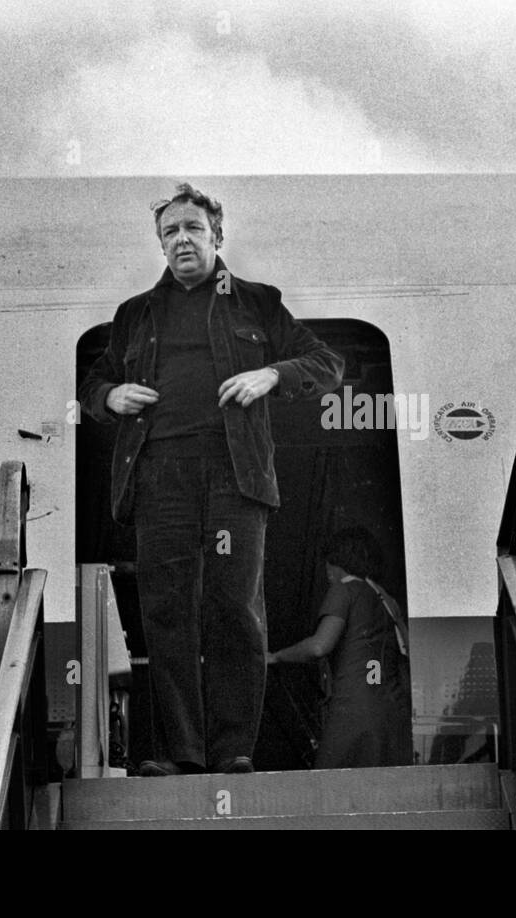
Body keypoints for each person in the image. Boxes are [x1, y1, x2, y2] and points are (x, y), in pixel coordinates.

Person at [78, 183, 344, 775]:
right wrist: (111, 394)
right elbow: (90, 389)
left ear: (216, 237)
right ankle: (181, 755)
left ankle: (234, 751)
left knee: (234, 609)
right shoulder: (135, 316)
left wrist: (273, 374)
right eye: (170, 231)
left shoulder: (257, 303)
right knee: (167, 613)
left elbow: (327, 364)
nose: (181, 240)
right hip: (159, 479)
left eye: (192, 228)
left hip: (235, 477)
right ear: (161, 244)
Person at [267, 527, 412, 769]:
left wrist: (276, 657)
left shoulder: (344, 589)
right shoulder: (387, 600)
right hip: (393, 714)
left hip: (353, 712)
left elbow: (319, 647)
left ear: (336, 564)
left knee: (331, 792)